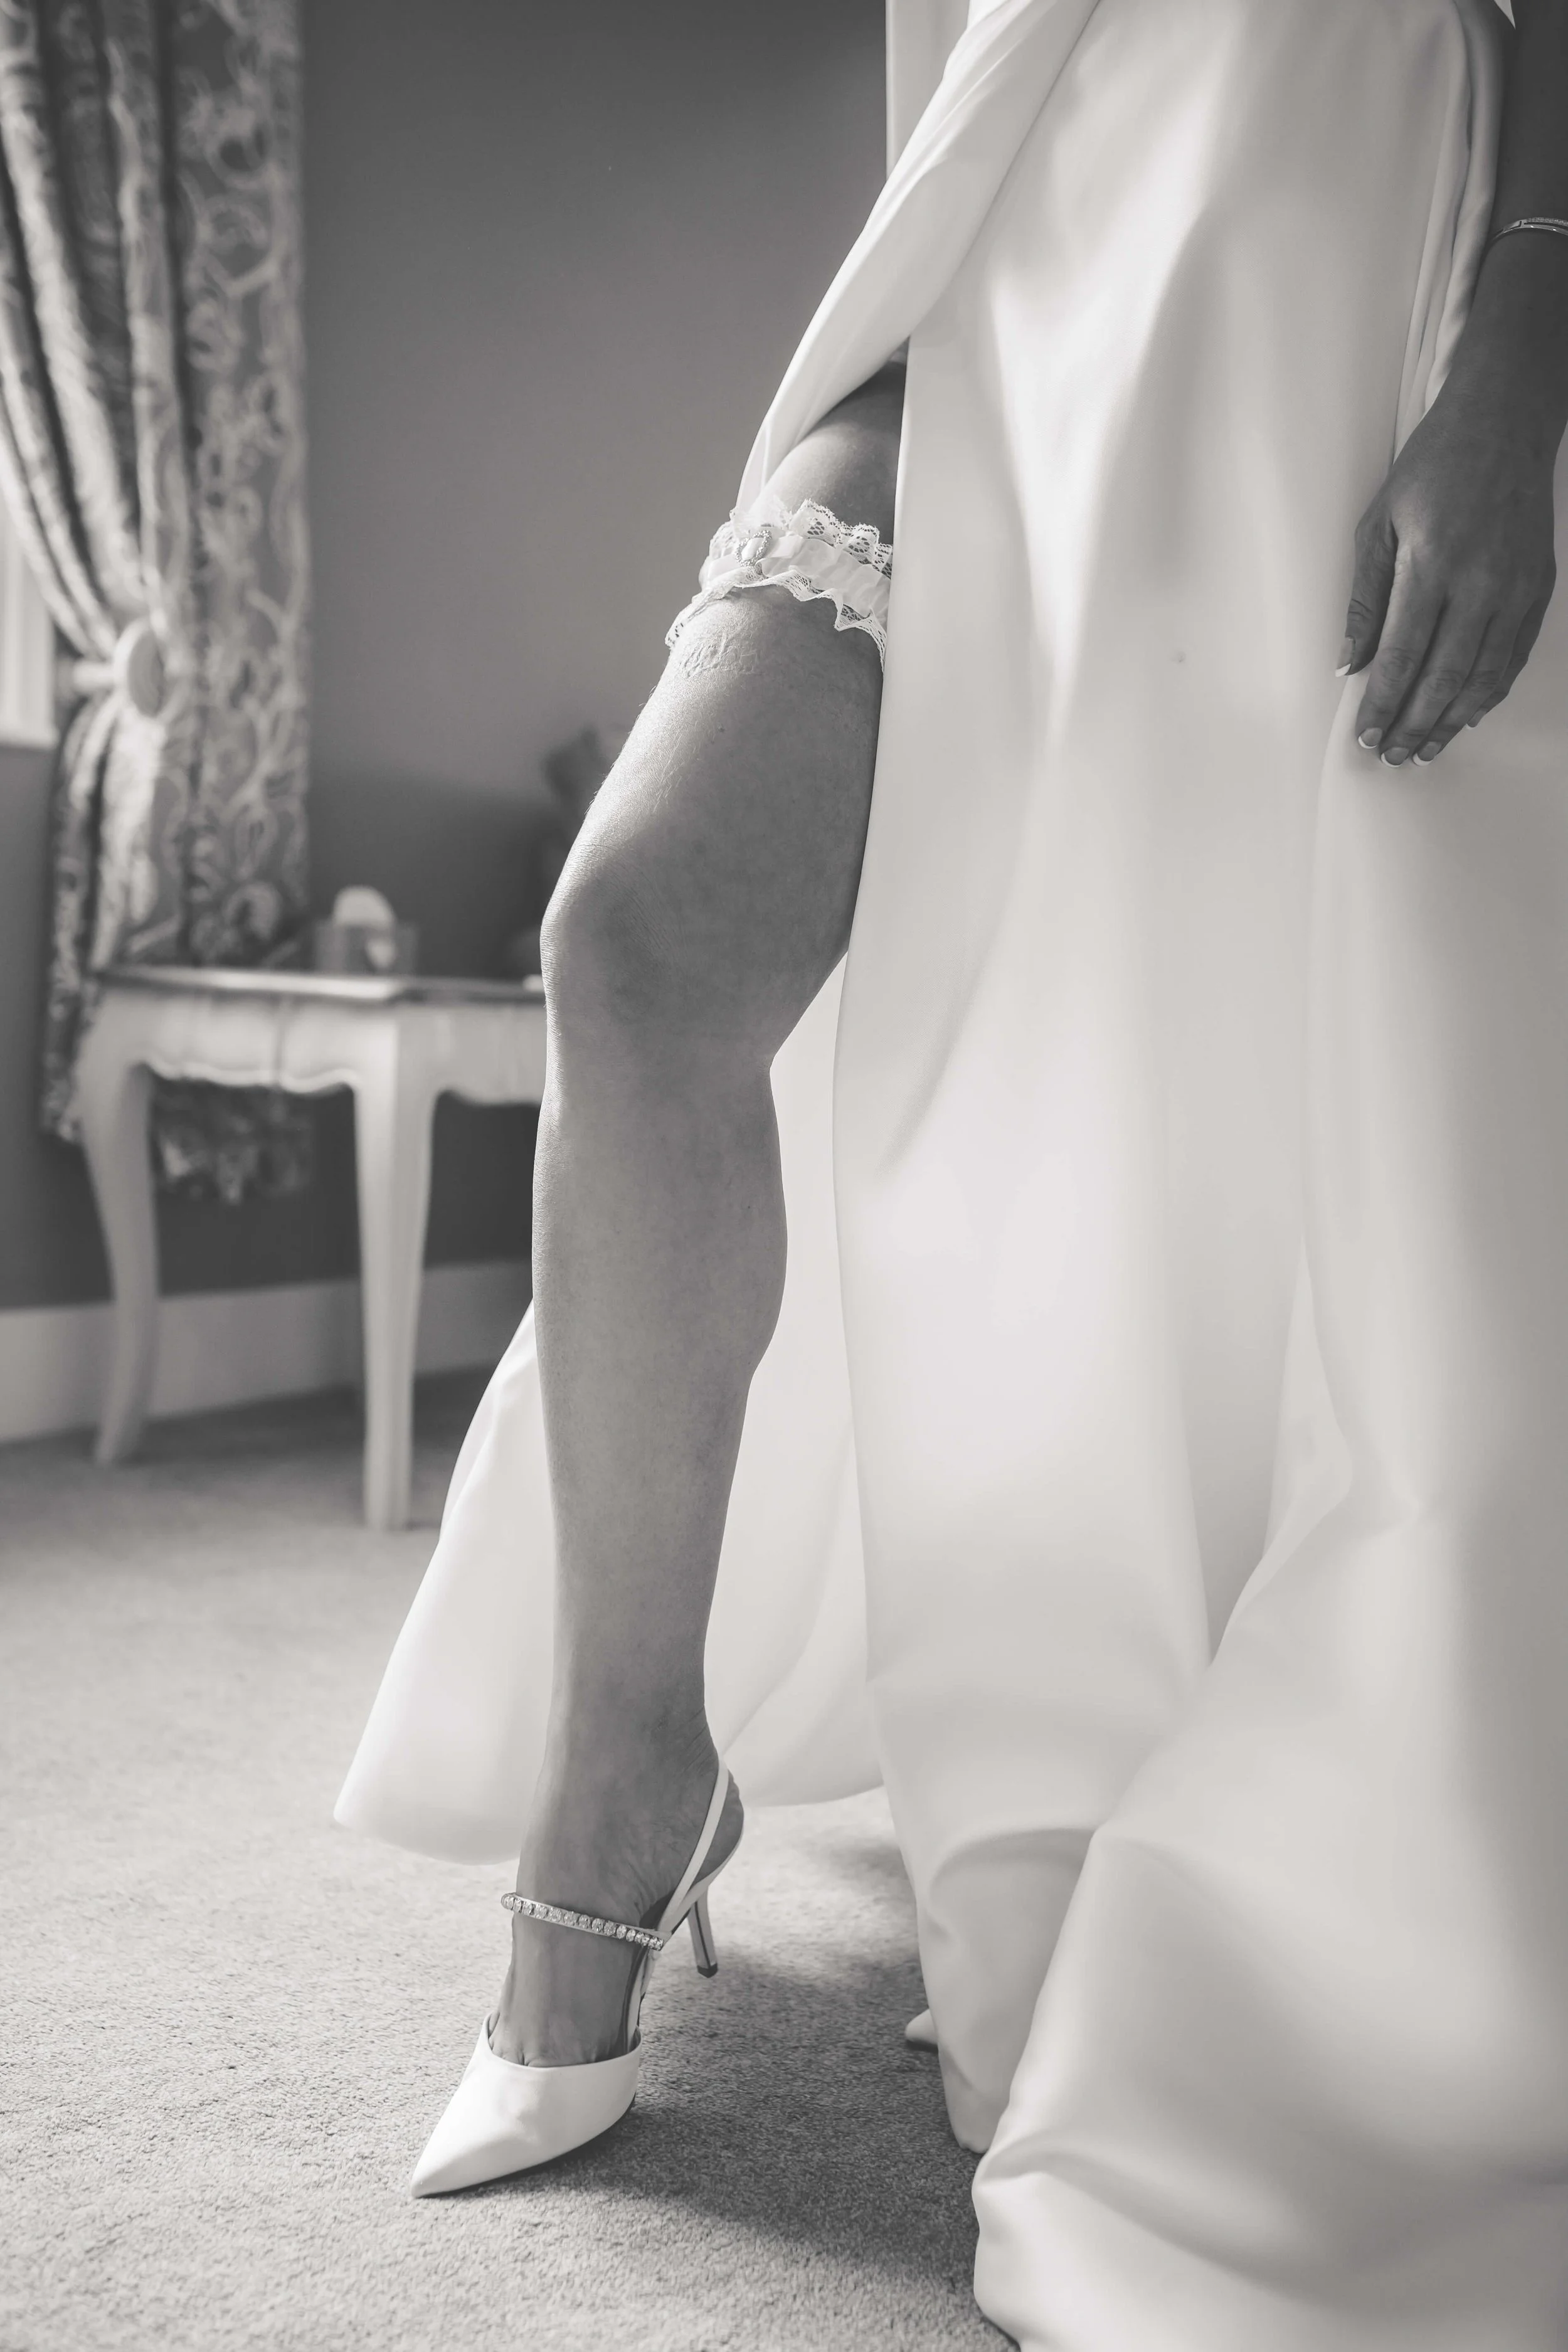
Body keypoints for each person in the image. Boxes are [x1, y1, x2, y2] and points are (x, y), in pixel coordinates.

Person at [338, 0, 1568, 2337]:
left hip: (1348, 256)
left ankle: (1168, 1802)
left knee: (1251, 1110)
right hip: (987, 279)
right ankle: (621, 1777)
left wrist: (1525, 325)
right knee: (636, 932)